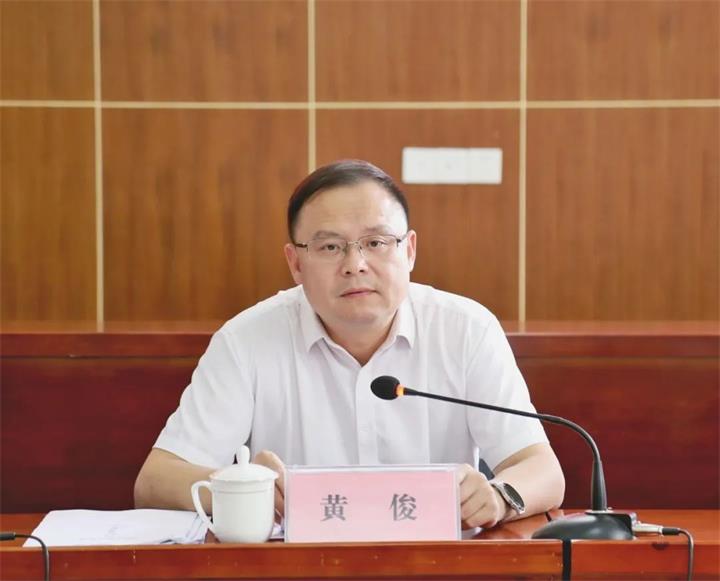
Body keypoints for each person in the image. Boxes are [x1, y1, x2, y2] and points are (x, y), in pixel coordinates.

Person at [134, 159, 564, 529]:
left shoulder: (466, 330)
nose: (355, 265)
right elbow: (155, 481)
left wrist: (499, 497)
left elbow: (542, 469)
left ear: (409, 251)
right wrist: (241, 490)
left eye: (376, 243)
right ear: (295, 263)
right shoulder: (246, 340)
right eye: (330, 247)